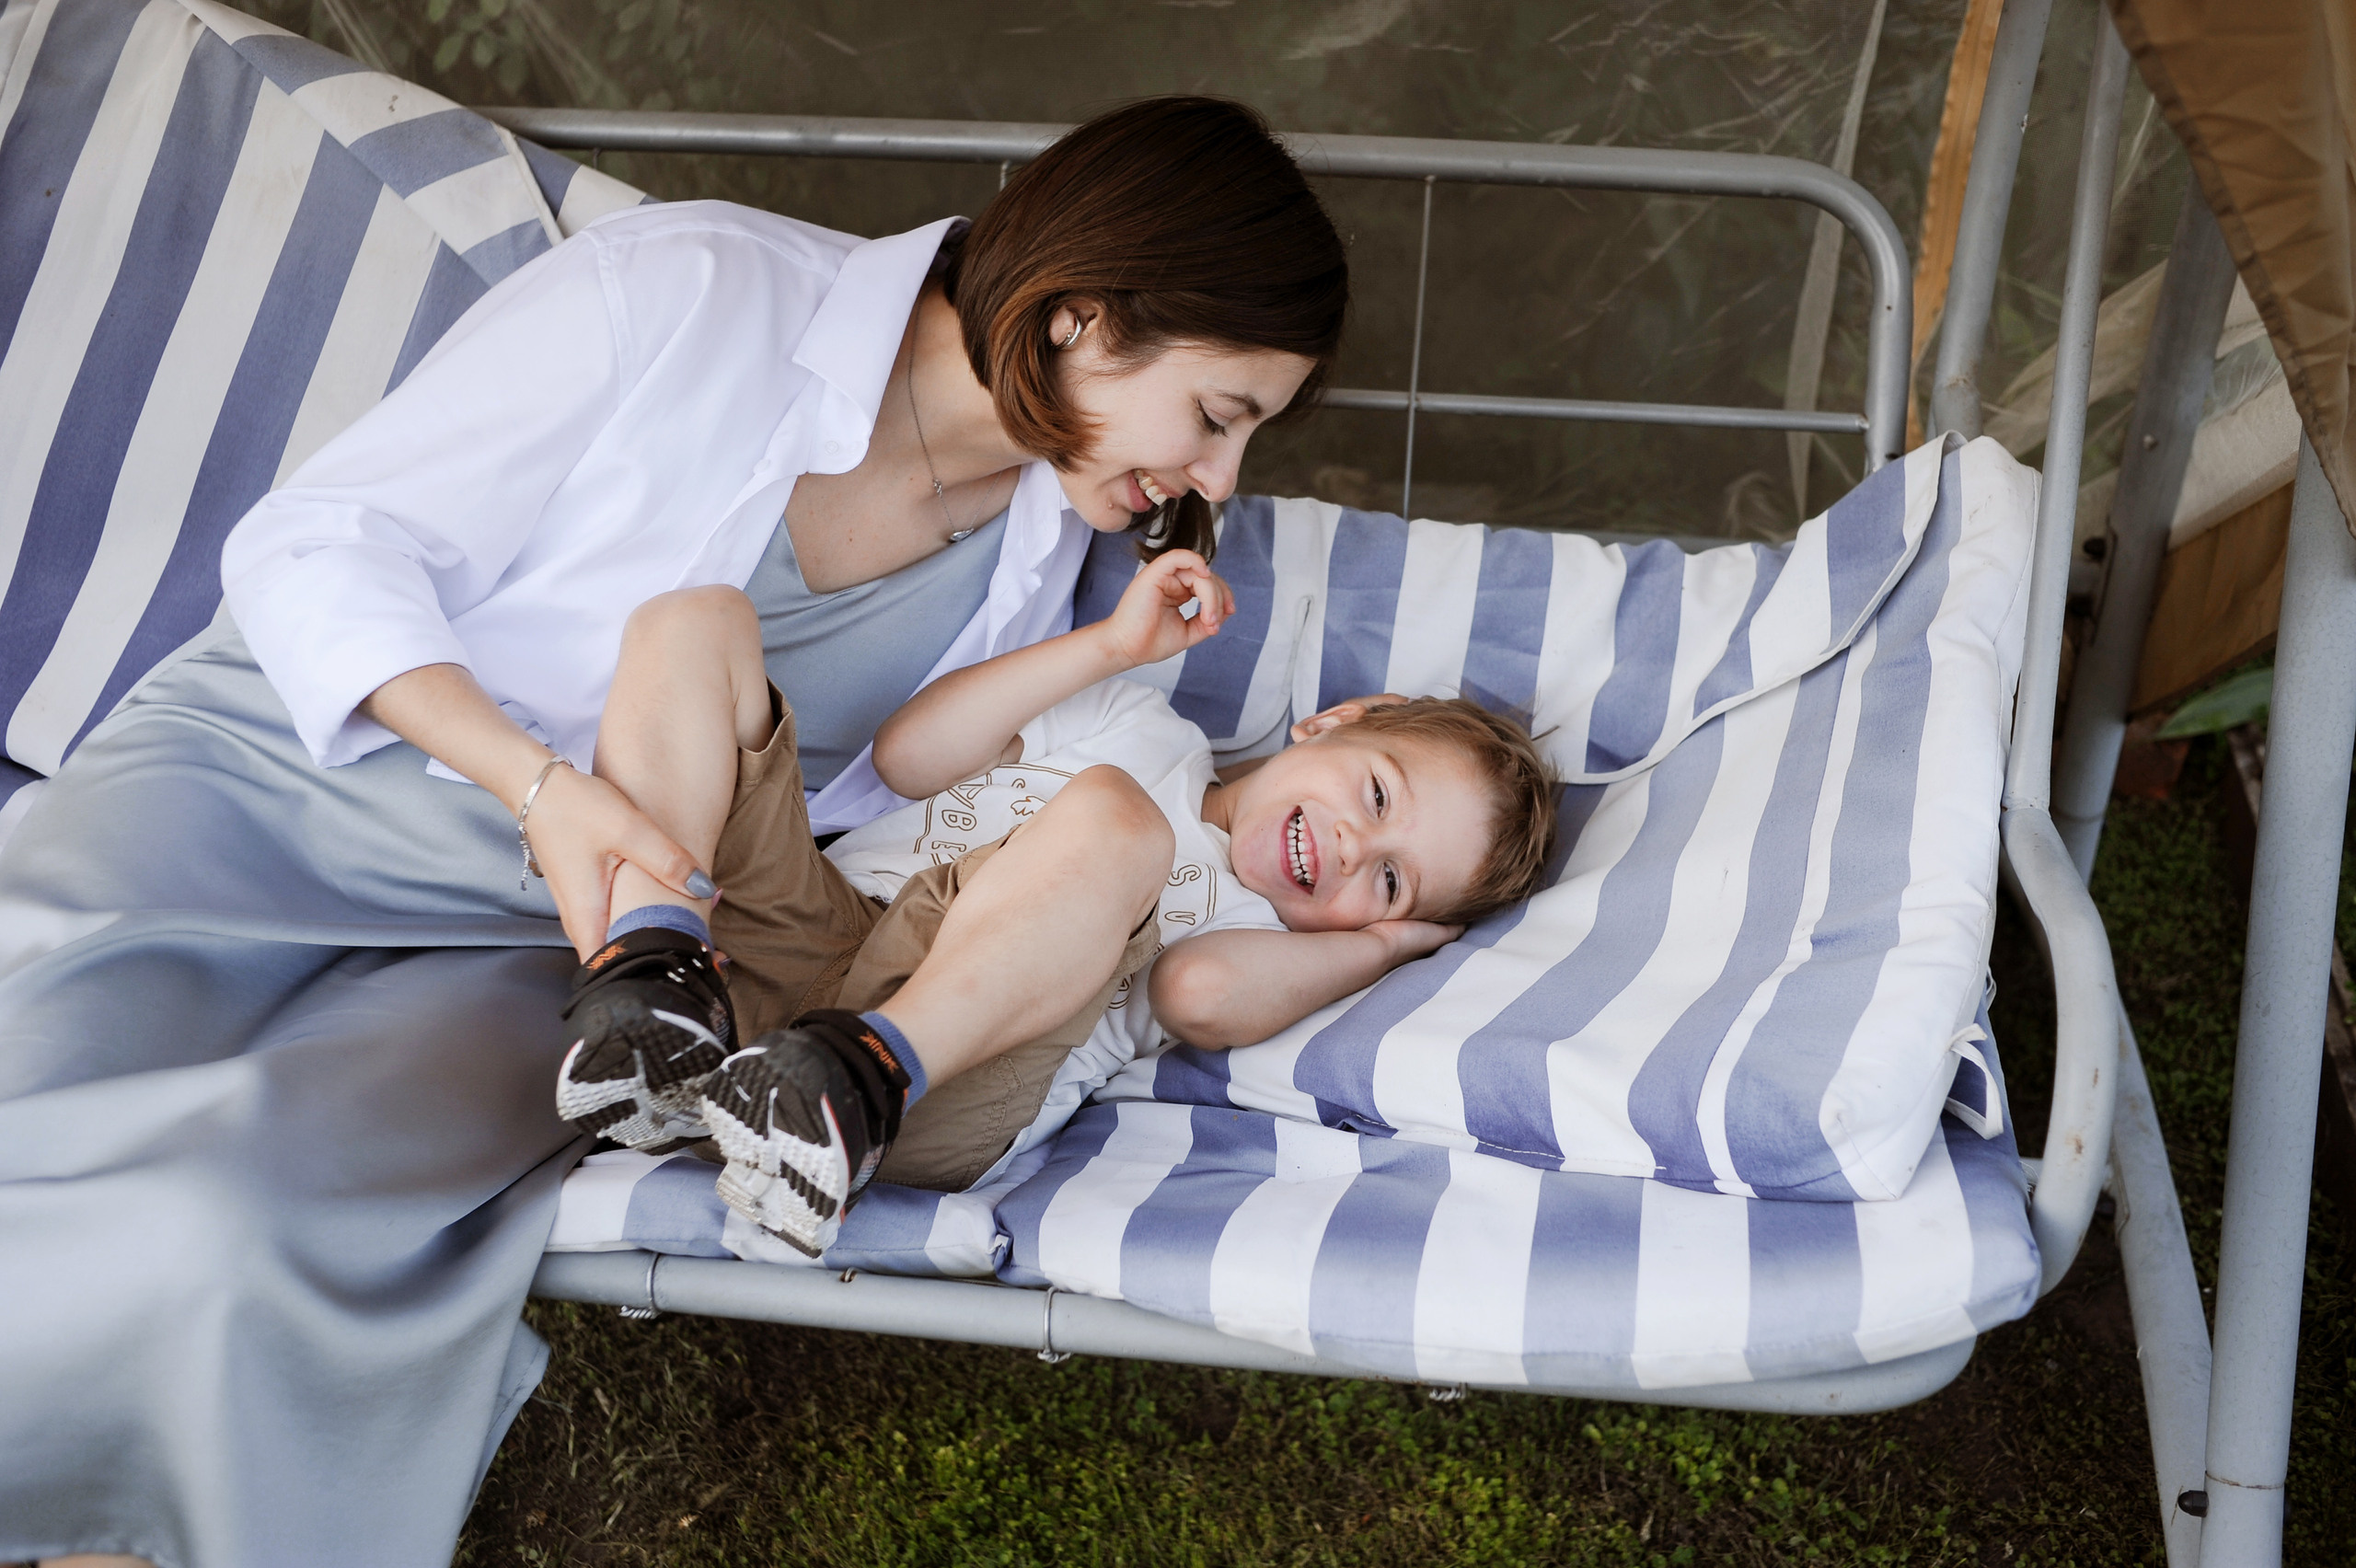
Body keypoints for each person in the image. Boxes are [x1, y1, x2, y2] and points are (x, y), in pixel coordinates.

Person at [0, 96, 1345, 1568]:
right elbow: (317, 544)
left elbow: (860, 813)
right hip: (273, 790)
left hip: (560, 949)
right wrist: (536, 785)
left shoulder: (1038, 552)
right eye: (1219, 419)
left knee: (247, 1222)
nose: (1219, 484)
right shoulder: (693, 289)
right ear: (1088, 318)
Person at [551, 549, 1558, 1253]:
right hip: (796, 927)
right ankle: (655, 983)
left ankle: (850, 1077)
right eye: (1376, 794)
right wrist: (1111, 648)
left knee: (1118, 822)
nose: (1351, 847)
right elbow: (909, 759)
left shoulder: (1258, 931)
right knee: (696, 620)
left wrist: (1378, 950)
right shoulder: (1138, 722)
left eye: (1389, 880)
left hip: (931, 1083)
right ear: (1339, 721)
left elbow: (1201, 994)